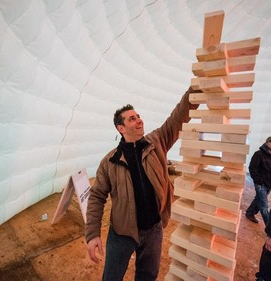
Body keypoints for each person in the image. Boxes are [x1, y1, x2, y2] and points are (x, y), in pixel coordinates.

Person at [85, 87, 198, 281]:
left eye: (138, 116)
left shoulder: (157, 142)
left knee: (148, 275)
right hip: (122, 233)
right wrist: (93, 234)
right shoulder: (110, 161)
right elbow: (96, 197)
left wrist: (195, 90)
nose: (139, 120)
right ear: (121, 128)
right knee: (112, 277)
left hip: (153, 230)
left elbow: (178, 116)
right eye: (132, 118)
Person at [245, 136, 271, 225]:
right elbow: (252, 169)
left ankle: (250, 213)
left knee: (258, 199)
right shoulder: (259, 154)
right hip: (261, 184)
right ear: (266, 143)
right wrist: (259, 181)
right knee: (264, 207)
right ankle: (270, 229)